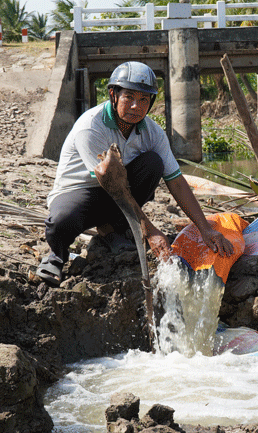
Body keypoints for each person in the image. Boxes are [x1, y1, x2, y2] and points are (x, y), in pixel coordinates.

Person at [36, 61, 234, 286]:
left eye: (143, 100)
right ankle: (57, 256)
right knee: (62, 220)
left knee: (153, 163)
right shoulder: (91, 126)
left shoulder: (153, 132)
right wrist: (150, 231)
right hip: (80, 192)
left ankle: (113, 229)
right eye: (128, 97)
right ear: (113, 95)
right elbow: (110, 184)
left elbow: (176, 182)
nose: (135, 106)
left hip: (118, 194)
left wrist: (206, 230)